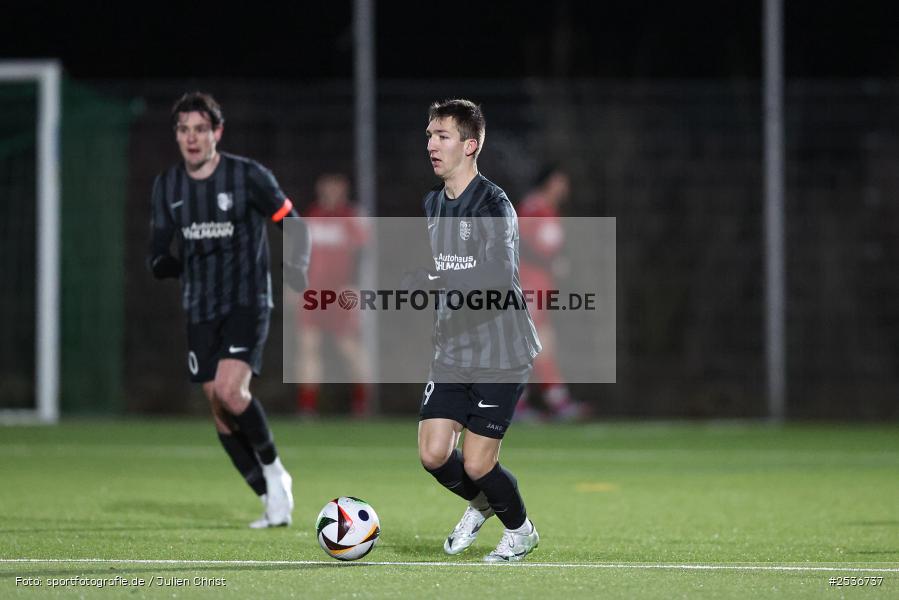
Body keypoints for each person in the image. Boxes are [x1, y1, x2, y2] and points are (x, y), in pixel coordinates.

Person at [148, 92, 310, 529]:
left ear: (217, 132)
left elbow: (292, 221)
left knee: (230, 391)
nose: (192, 138)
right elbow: (159, 248)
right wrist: (163, 263)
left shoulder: (247, 177)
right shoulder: (169, 186)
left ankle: (278, 473)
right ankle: (268, 496)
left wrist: (296, 267)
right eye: (184, 130)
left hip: (247, 299)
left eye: (200, 129)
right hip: (199, 306)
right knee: (217, 406)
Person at [410, 99, 542, 562]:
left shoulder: (493, 202)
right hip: (452, 349)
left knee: (478, 462)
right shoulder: (431, 202)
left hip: (500, 350)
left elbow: (498, 273)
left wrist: (437, 280)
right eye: (429, 135)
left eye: (442, 136)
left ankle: (521, 532)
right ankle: (483, 503)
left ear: (471, 144)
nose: (432, 144)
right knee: (432, 454)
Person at [295, 173, 371, 417]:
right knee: (308, 346)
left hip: (340, 294)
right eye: (326, 187)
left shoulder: (352, 217)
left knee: (350, 348)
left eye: (335, 187)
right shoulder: (311, 215)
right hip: (312, 294)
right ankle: (307, 407)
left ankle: (362, 405)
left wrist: (355, 285)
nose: (330, 192)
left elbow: (362, 254)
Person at [517, 164, 589, 421]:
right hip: (527, 285)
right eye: (560, 181)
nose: (564, 188)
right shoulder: (533, 208)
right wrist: (549, 262)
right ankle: (546, 402)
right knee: (532, 344)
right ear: (548, 182)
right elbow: (518, 242)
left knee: (541, 344)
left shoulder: (547, 210)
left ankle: (549, 401)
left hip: (540, 285)